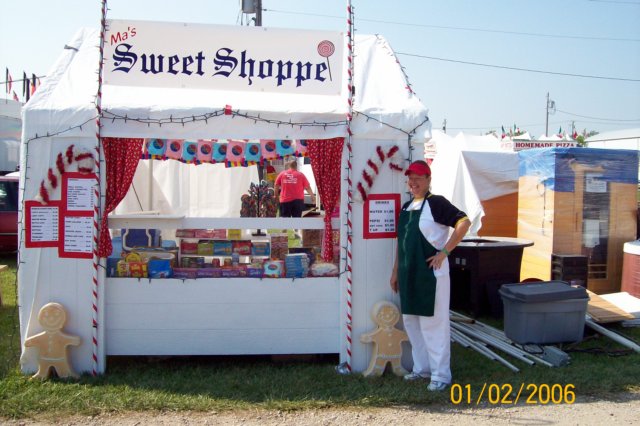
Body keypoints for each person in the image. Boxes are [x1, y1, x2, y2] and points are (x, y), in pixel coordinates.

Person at [390, 160, 471, 392]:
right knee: (412, 323)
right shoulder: (406, 207)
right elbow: (402, 243)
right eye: (410, 178)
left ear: (428, 180)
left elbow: (464, 222)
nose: (413, 182)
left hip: (430, 275)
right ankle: (422, 368)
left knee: (433, 324)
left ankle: (440, 375)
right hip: (408, 274)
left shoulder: (436, 203)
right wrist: (395, 271)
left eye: (418, 178)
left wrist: (444, 252)